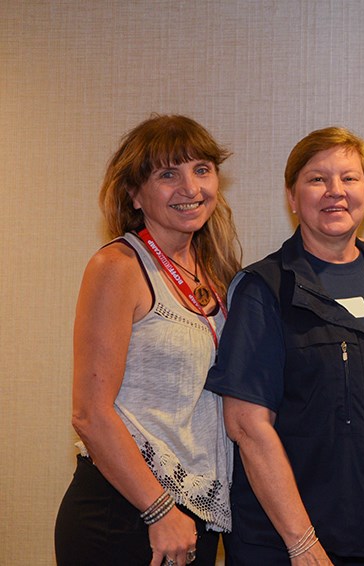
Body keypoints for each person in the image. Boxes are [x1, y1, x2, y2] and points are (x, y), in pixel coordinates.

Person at [204, 126, 364, 565]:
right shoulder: (267, 288)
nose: (335, 191)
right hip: (297, 531)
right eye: (317, 179)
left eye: (349, 178)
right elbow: (246, 425)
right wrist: (302, 542)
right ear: (292, 197)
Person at [54, 115, 241, 566]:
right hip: (127, 513)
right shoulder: (119, 267)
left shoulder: (214, 273)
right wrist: (158, 509)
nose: (190, 188)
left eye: (201, 169)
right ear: (134, 194)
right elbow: (90, 414)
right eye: (167, 174)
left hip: (190, 513)